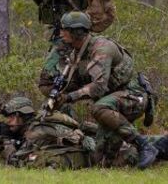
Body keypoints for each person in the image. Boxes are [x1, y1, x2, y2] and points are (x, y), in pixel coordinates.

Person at [39, 11, 159, 169]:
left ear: (77, 32)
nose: (61, 33)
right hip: (113, 103)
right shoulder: (77, 53)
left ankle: (144, 144)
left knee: (99, 107)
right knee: (100, 159)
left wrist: (69, 97)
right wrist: (55, 93)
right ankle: (161, 145)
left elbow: (99, 87)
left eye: (65, 29)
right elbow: (73, 83)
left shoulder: (101, 48)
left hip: (134, 97)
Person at [0, 96, 96, 169]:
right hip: (81, 149)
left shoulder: (36, 131)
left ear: (21, 116)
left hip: (92, 153)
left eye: (11, 117)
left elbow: (16, 159)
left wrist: (6, 143)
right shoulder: (37, 120)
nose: (8, 121)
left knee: (32, 162)